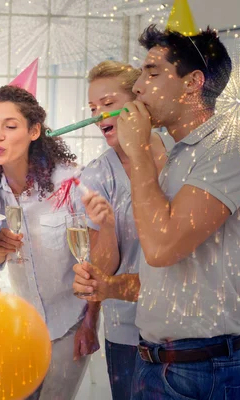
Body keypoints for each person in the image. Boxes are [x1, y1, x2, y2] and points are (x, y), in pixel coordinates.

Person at [80, 25, 240, 399]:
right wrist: (107, 286)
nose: (140, 87)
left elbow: (162, 249)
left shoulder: (231, 145)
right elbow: (165, 280)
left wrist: (139, 152)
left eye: (152, 72)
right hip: (156, 360)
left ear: (193, 83)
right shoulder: (180, 155)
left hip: (199, 369)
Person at [0, 84, 96, 400]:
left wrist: (91, 323)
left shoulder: (67, 183)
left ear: (34, 131)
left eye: (10, 126)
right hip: (22, 328)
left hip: (69, 324)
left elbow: (96, 257)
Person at [70, 60, 173, 400]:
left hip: (183, 324)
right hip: (128, 331)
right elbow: (101, 271)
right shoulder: (97, 175)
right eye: (93, 107)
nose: (99, 114)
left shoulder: (180, 156)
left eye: (109, 103)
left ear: (138, 101)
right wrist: (107, 226)